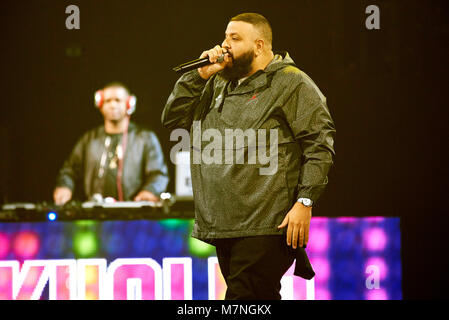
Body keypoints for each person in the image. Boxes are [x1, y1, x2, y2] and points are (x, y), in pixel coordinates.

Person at [162, 13, 335, 299]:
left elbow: (319, 143)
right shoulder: (217, 83)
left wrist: (305, 200)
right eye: (225, 37)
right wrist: (200, 74)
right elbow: (173, 119)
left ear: (259, 46)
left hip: (266, 224)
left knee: (244, 299)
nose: (224, 45)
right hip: (225, 224)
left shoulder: (292, 83)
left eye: (235, 38)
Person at [54, 82, 169, 205]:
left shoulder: (144, 138)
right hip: (95, 211)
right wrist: (64, 186)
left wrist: (150, 191)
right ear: (100, 104)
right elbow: (69, 170)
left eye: (118, 100)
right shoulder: (89, 139)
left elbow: (158, 173)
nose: (113, 105)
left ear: (129, 104)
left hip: (133, 212)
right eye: (108, 101)